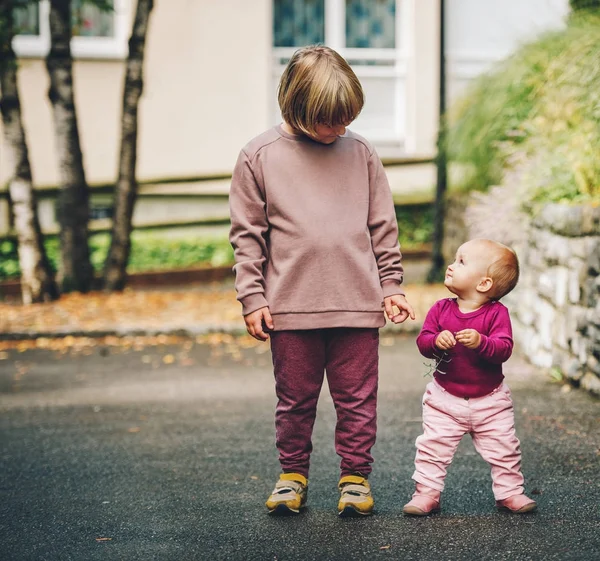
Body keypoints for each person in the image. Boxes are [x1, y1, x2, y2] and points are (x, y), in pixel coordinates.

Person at [229, 45, 415, 517]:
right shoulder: (259, 156)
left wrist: (391, 285)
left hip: (357, 303)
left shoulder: (361, 153)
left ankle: (355, 477)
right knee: (294, 401)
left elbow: (382, 225)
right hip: (290, 307)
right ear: (295, 106)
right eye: (330, 122)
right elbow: (247, 236)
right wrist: (252, 297)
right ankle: (292, 474)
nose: (340, 130)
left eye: (346, 119)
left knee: (357, 400)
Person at [403, 238, 537, 516]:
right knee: (432, 448)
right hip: (444, 398)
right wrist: (436, 340)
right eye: (455, 259)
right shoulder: (440, 309)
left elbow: (504, 349)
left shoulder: (497, 314)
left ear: (484, 284)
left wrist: (481, 342)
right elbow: (423, 342)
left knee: (504, 449)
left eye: (461, 262)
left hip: (491, 401)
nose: (451, 266)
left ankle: (510, 492)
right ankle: (426, 493)